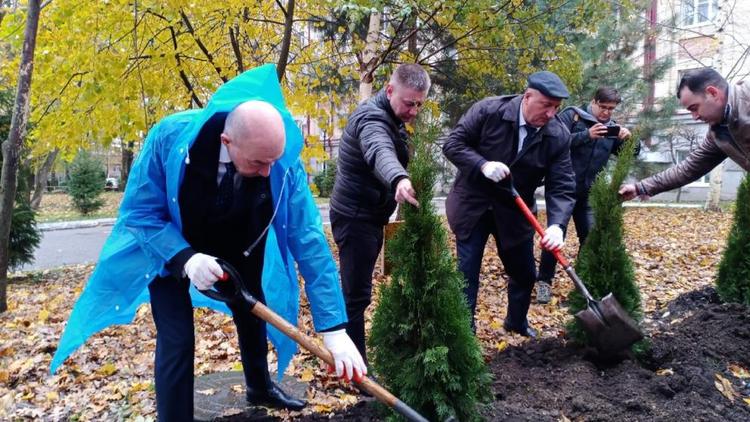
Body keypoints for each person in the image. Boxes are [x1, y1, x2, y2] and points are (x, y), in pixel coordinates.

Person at [51, 65, 365, 421]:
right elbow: (140, 214)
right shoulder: (169, 138)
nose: (268, 171)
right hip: (174, 247)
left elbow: (309, 241)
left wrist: (334, 329)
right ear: (227, 143)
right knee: (177, 338)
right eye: (259, 162)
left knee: (252, 314)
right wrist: (185, 258)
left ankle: (259, 387)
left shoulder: (280, 161)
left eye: (273, 162)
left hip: (242, 241)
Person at [442, 71, 576, 338]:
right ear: (527, 97)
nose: (551, 114)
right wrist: (482, 164)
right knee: (467, 274)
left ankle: (516, 321)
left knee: (525, 273)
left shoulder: (558, 135)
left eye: (556, 107)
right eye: (546, 105)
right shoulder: (489, 111)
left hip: (515, 210)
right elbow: (453, 144)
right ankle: (464, 334)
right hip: (474, 204)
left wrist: (558, 225)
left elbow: (561, 184)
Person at [329, 63, 431, 365]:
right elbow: (379, 150)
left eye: (419, 104)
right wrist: (399, 178)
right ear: (389, 91)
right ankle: (353, 364)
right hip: (355, 218)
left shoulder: (391, 117)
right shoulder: (372, 118)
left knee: (357, 292)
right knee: (355, 296)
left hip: (370, 216)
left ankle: (351, 356)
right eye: (409, 102)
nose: (414, 110)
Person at [535, 86, 636, 304]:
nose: (607, 113)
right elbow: (552, 141)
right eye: (603, 107)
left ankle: (581, 285)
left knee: (589, 239)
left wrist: (628, 139)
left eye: (611, 109)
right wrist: (586, 135)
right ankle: (544, 284)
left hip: (589, 194)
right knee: (555, 237)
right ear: (593, 101)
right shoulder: (572, 115)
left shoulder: (611, 129)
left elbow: (630, 154)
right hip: (563, 190)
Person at [619, 67, 750, 201]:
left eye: (694, 108)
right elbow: (690, 168)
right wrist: (640, 187)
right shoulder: (718, 131)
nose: (694, 117)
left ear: (712, 93)